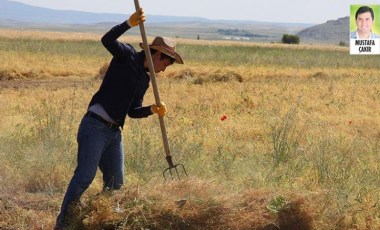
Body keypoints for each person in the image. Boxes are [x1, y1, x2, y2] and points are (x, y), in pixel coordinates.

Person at [54, 8, 183, 229]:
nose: (164, 70)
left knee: (115, 184)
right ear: (157, 55)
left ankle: (95, 219)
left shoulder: (145, 80)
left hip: (114, 133)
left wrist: (152, 109)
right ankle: (63, 223)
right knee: (85, 176)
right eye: (165, 64)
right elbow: (106, 40)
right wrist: (128, 24)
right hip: (94, 125)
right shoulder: (127, 55)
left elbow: (133, 111)